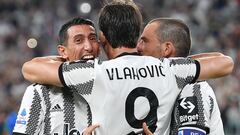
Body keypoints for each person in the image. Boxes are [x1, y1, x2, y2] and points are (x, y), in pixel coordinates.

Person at [21, 0, 234, 134]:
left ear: (103, 38)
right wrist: (177, 62)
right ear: (136, 33)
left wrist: (69, 58)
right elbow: (224, 64)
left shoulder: (92, 74)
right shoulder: (170, 69)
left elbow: (30, 69)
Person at [137, 18, 225, 135]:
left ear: (166, 49)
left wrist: (178, 66)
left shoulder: (192, 89)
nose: (138, 47)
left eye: (145, 41)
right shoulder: (164, 86)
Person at [13, 17, 99, 135]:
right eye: (79, 41)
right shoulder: (40, 91)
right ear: (63, 51)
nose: (89, 47)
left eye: (93, 39)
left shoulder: (112, 85)